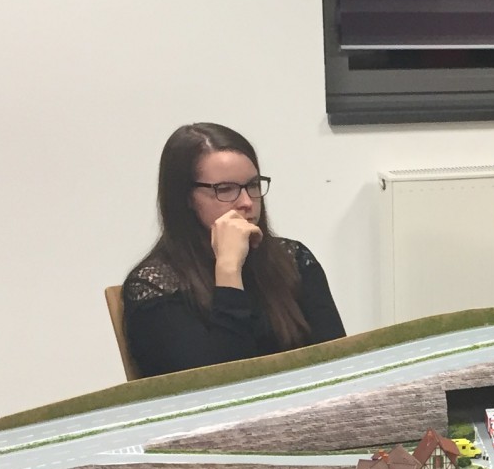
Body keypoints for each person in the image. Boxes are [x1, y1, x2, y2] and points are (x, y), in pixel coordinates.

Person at [121, 123, 345, 376]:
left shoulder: (293, 259)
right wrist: (228, 270)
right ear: (186, 199)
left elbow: (338, 362)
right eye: (225, 189)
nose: (247, 202)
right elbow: (218, 385)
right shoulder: (155, 287)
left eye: (253, 185)